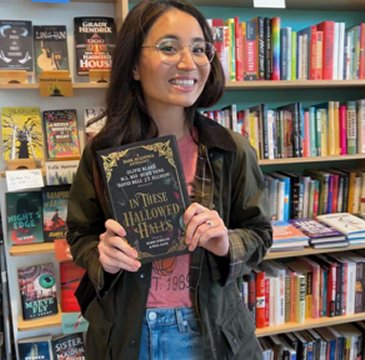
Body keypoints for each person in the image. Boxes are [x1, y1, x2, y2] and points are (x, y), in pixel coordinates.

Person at [66, 0, 272, 359]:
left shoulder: (229, 150)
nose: (188, 63)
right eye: (168, 47)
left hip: (207, 333)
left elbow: (259, 233)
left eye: (199, 49)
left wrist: (225, 243)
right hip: (127, 333)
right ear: (132, 65)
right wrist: (103, 256)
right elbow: (79, 234)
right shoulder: (103, 151)